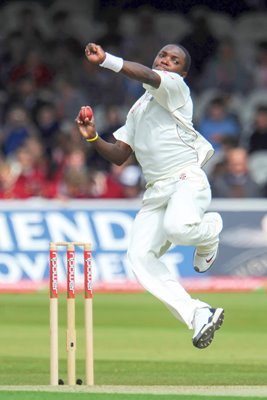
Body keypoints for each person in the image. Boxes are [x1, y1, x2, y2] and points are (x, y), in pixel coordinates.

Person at [75, 42, 224, 349]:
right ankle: (197, 313)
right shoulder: (138, 108)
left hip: (185, 179)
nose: (165, 61)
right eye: (162, 56)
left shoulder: (175, 87)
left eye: (174, 60)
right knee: (139, 258)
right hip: (156, 191)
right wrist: (92, 136)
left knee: (178, 228)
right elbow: (119, 155)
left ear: (181, 72)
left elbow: (147, 75)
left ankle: (211, 232)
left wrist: (107, 61)